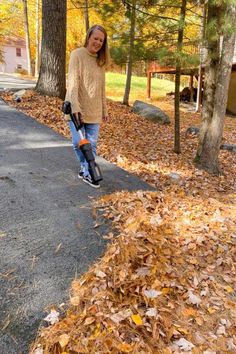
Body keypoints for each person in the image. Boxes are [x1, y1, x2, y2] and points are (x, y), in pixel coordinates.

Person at [65, 25, 109, 188]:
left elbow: (102, 87)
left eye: (101, 40)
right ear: (89, 37)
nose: (97, 42)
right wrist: (75, 107)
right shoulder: (77, 54)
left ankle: (87, 171)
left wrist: (104, 109)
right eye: (95, 38)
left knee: (92, 144)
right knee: (78, 143)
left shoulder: (100, 61)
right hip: (77, 107)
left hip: (95, 109)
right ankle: (87, 170)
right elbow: (73, 82)